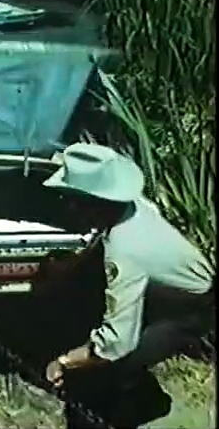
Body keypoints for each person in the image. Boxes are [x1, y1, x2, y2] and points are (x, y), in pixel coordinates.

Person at [41, 142, 214, 429]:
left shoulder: (124, 251)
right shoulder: (134, 207)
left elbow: (116, 343)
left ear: (91, 202)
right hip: (176, 292)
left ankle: (135, 409)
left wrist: (64, 362)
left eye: (71, 199)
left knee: (100, 376)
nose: (68, 206)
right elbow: (102, 240)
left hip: (188, 311)